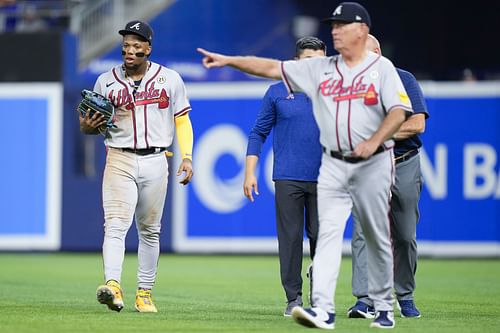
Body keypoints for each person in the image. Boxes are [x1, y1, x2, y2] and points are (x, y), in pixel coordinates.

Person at [198, 2, 412, 329]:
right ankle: (321, 308)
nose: (336, 30)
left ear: (362, 31)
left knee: (376, 234)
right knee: (326, 238)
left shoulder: (380, 68)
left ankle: (383, 306)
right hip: (331, 164)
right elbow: (269, 67)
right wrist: (231, 60)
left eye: (343, 25)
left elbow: (399, 110)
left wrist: (374, 140)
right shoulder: (321, 70)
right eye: (334, 25)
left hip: (372, 161)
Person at [79, 20, 194, 313]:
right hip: (120, 157)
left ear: (148, 48)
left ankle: (144, 293)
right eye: (126, 45)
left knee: (150, 230)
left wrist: (188, 156)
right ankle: (113, 285)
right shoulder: (106, 81)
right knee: (115, 225)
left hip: (157, 159)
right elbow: (92, 124)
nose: (130, 50)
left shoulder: (170, 79)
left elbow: (181, 119)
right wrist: (87, 127)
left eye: (136, 45)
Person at [348, 34, 428, 319]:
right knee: (362, 233)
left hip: (403, 162)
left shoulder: (403, 79)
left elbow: (417, 124)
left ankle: (404, 294)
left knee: (404, 235)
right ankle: (365, 299)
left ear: (379, 53)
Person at [244, 36, 325, 317]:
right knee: (290, 240)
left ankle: (321, 295)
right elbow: (258, 133)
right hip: (288, 176)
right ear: (295, 63)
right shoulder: (276, 91)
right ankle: (293, 299)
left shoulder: (335, 92)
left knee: (322, 239)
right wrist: (250, 172)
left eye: (318, 61)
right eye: (307, 61)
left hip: (327, 177)